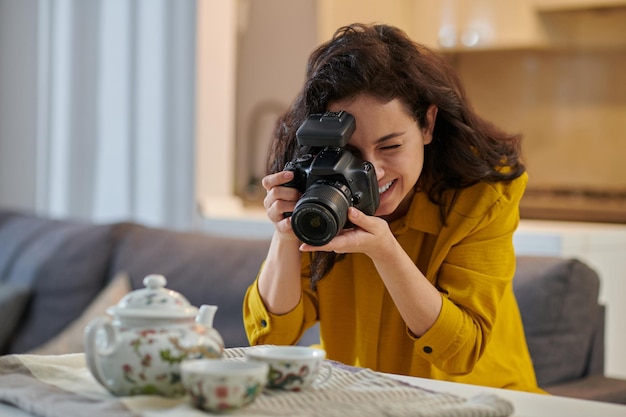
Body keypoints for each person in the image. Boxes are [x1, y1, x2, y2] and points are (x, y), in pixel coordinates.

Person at [243, 22, 543, 393]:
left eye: (390, 147)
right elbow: (271, 342)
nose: (373, 171)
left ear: (427, 125)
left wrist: (385, 251)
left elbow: (460, 352)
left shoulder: (481, 195)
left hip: (481, 400)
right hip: (369, 399)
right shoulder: (322, 186)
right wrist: (286, 233)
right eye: (350, 153)